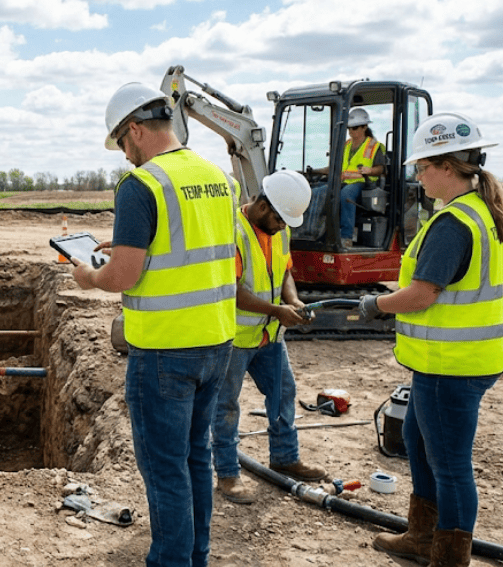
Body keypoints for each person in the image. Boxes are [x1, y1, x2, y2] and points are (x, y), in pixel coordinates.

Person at [71, 82, 237, 567]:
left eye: (122, 144)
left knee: (165, 472)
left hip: (165, 351)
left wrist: (88, 276)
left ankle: (171, 560)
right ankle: (196, 556)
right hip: (217, 342)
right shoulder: (216, 178)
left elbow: (124, 275)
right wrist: (122, 243)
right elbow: (193, 248)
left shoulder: (142, 184)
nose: (124, 156)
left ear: (137, 131)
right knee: (194, 460)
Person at [359, 112, 503, 567]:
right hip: (447, 360)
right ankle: (422, 535)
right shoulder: (472, 212)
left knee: (449, 464)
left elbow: (423, 294)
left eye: (422, 167)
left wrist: (375, 305)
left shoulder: (455, 223)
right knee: (420, 444)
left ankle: (448, 554)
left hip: (454, 365)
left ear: (447, 166)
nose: (418, 176)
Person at [211, 170, 328, 504]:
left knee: (283, 393)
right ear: (262, 205)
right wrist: (278, 311)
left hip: (268, 337)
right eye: (279, 219)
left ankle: (285, 457)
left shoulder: (279, 231)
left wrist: (292, 301)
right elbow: (232, 291)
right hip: (234, 338)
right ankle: (228, 474)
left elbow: (285, 270)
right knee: (225, 407)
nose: (282, 226)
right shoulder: (232, 232)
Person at [307, 107, 388, 247]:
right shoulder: (345, 145)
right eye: (349, 128)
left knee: (346, 195)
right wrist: (314, 171)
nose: (351, 131)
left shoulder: (374, 146)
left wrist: (370, 170)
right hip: (343, 182)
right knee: (317, 192)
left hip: (364, 183)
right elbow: (334, 168)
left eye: (355, 128)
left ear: (364, 127)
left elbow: (381, 169)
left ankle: (346, 236)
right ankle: (312, 231)